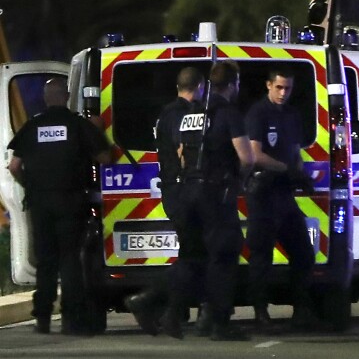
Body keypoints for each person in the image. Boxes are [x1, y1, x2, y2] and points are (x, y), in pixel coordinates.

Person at [6, 78, 111, 334]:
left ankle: (42, 317)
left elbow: (14, 166)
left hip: (40, 203)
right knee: (70, 260)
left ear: (45, 98)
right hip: (71, 201)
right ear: (65, 97)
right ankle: (71, 318)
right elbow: (105, 158)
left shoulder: (33, 126)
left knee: (46, 261)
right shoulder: (78, 125)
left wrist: (29, 185)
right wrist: (98, 134)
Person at [160, 60, 254, 341]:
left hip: (188, 191)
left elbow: (180, 152)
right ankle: (219, 323)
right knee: (224, 255)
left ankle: (172, 314)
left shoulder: (192, 113)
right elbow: (247, 157)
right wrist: (239, 178)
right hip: (215, 193)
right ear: (234, 84)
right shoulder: (228, 113)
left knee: (192, 256)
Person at [126, 67, 209, 336]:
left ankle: (172, 313)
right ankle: (146, 299)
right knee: (193, 257)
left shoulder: (165, 113)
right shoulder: (181, 115)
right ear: (199, 86)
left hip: (176, 192)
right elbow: (183, 150)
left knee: (192, 255)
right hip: (182, 191)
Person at [245, 68, 317, 332]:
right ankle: (261, 313)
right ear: (268, 85)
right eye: (279, 88)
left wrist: (300, 174)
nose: (283, 93)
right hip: (263, 194)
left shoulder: (292, 115)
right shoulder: (258, 113)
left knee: (303, 253)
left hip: (284, 195)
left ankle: (301, 310)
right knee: (261, 257)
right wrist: (287, 170)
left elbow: (295, 151)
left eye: (287, 88)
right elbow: (255, 155)